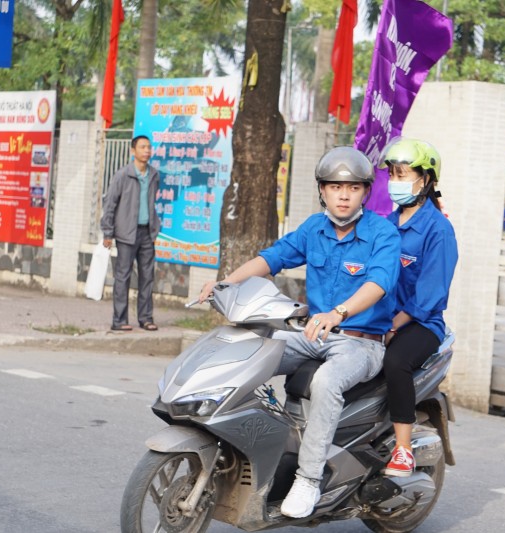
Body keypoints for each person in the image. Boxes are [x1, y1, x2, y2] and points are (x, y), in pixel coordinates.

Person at [199, 146, 400, 518]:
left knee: (326, 383)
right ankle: (236, 434)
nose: (343, 194)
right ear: (322, 189)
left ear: (365, 192)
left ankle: (308, 479)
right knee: (253, 348)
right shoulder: (314, 228)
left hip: (361, 344)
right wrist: (225, 283)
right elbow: (273, 257)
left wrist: (339, 312)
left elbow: (379, 283)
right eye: (335, 186)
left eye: (353, 187)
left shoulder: (382, 233)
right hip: (313, 335)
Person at [379, 138, 458, 477]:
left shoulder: (438, 229)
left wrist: (394, 325)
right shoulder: (385, 223)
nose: (396, 182)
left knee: (396, 361)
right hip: (382, 318)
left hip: (421, 324)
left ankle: (403, 449)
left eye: (404, 174)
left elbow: (430, 293)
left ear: (426, 180)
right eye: (393, 174)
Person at [101, 135, 161, 331]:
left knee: (147, 277)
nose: (147, 151)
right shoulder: (122, 175)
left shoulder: (153, 175)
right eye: (142, 147)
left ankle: (145, 318)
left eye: (149, 147)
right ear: (133, 151)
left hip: (146, 233)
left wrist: (155, 228)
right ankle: (119, 320)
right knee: (123, 277)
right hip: (126, 233)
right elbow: (110, 204)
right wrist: (108, 232)